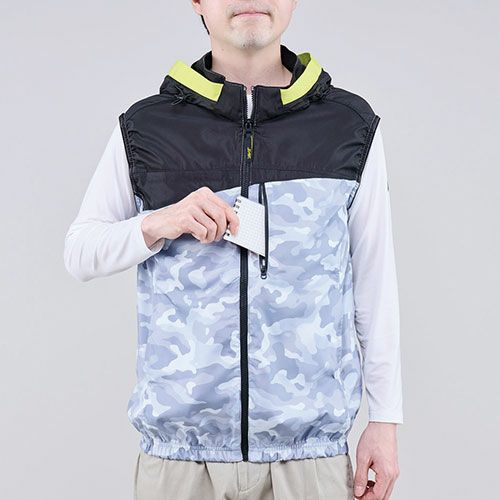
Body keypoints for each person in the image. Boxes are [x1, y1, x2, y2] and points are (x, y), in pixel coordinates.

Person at [63, 1, 403, 499]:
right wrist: (158, 222)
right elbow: (79, 251)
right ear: (198, 2)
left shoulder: (348, 128)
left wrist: (386, 418)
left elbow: (375, 284)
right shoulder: (146, 128)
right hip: (180, 462)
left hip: (309, 461)